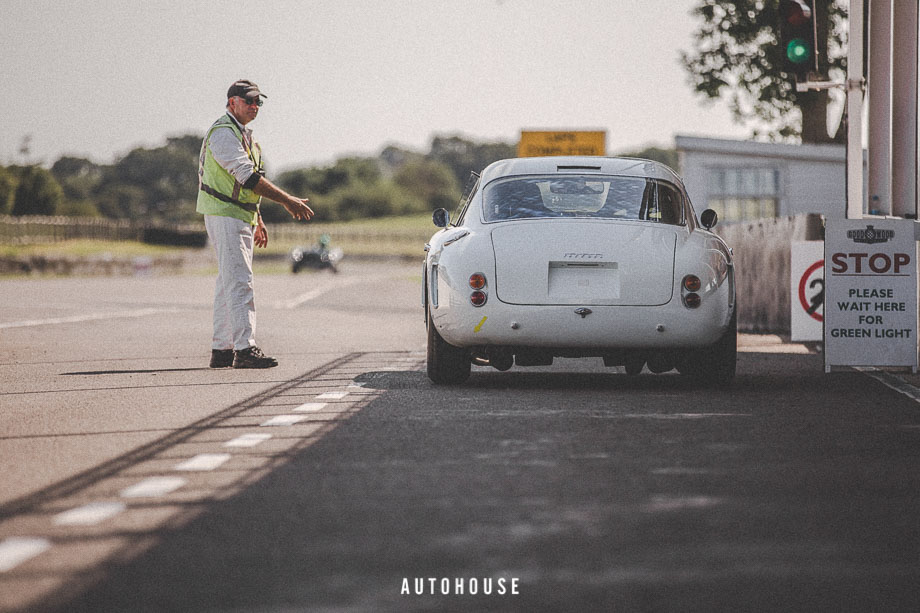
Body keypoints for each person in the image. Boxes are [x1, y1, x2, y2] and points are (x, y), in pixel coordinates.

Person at [197, 79, 314, 369]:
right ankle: (245, 349)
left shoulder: (243, 135)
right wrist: (287, 200)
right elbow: (247, 177)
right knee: (240, 281)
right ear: (231, 102)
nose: (254, 106)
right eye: (248, 100)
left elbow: (247, 184)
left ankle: (222, 349)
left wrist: (258, 217)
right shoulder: (224, 133)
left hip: (237, 213)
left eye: (258, 102)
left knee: (227, 282)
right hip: (225, 213)